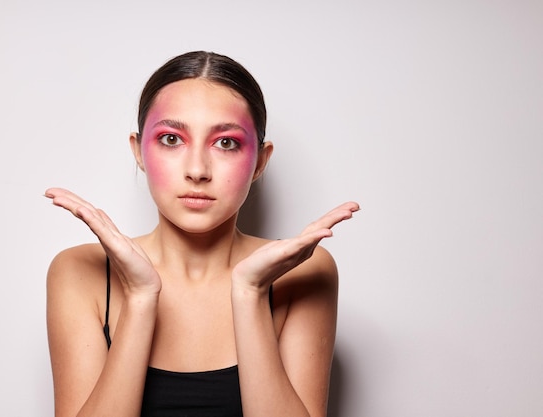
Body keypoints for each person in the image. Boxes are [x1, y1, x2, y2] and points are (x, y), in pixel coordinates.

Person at [44, 50, 359, 417]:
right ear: (139, 151)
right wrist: (142, 297)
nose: (197, 170)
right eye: (171, 139)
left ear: (260, 160)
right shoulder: (81, 271)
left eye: (226, 142)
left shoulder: (304, 271)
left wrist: (250, 291)